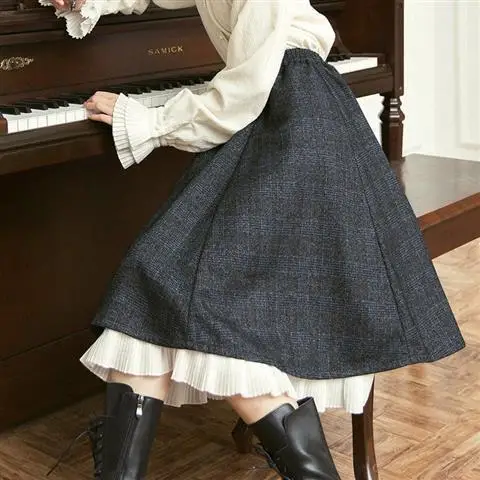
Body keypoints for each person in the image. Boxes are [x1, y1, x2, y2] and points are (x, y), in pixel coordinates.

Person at [42, 1, 465, 479]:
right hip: (283, 117)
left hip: (288, 125)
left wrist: (151, 121)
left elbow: (242, 93)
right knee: (163, 290)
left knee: (178, 290)